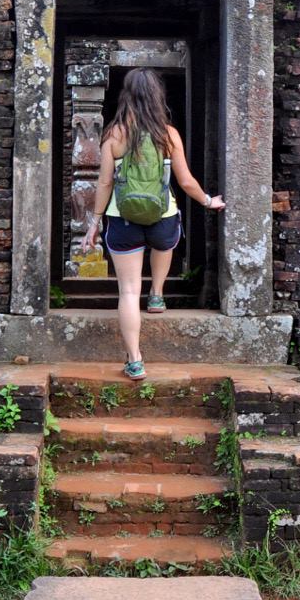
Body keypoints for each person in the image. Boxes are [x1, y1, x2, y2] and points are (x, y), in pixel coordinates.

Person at [80, 68, 224, 379]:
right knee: (164, 242)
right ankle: (157, 293)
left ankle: (135, 360)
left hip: (122, 220)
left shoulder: (114, 135)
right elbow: (185, 181)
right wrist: (208, 201)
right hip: (162, 216)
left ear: (126, 96)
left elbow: (104, 184)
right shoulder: (168, 134)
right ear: (158, 97)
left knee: (129, 292)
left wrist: (94, 223)